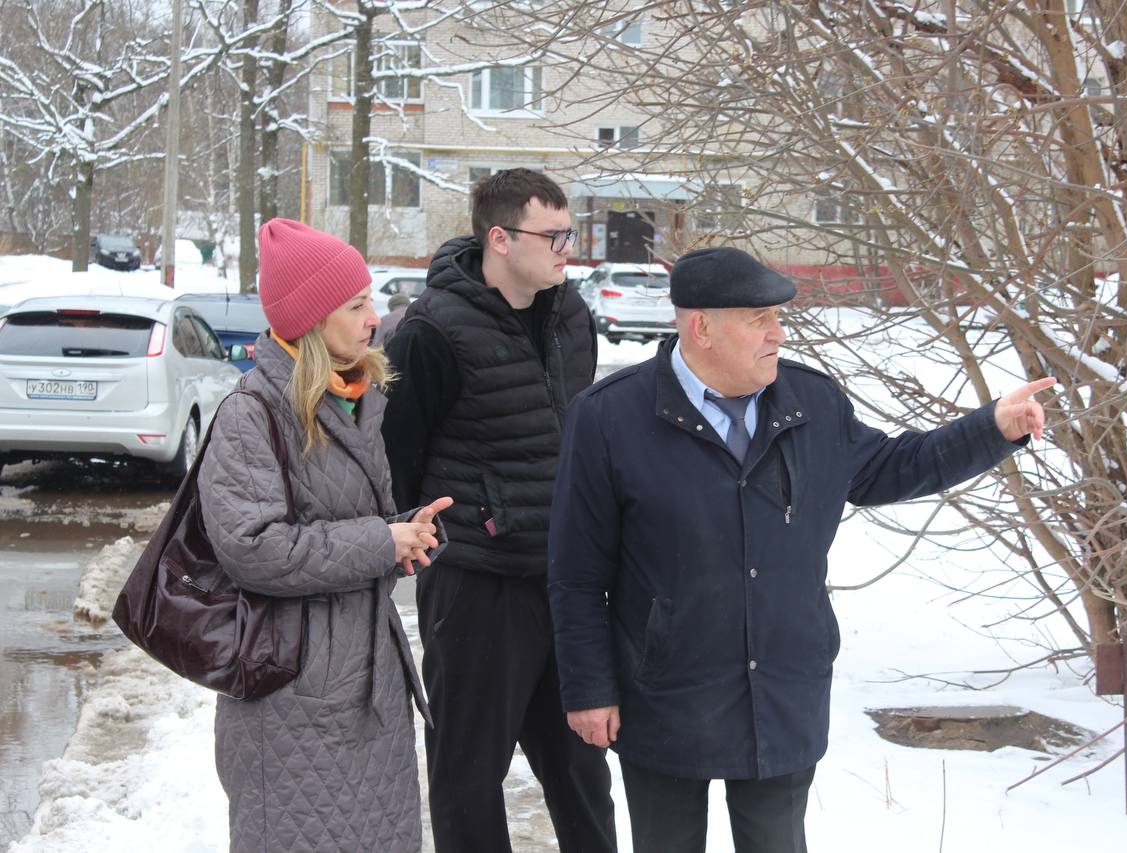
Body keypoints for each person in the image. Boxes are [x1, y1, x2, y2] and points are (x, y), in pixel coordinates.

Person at [548, 246, 1056, 853]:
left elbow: (895, 466)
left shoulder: (812, 402)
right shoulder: (609, 417)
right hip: (665, 692)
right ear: (701, 327)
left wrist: (991, 429)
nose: (779, 334)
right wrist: (589, 689)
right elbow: (576, 572)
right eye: (759, 319)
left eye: (778, 318)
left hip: (782, 691)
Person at [198, 218, 451, 852]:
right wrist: (380, 541)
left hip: (369, 682)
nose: (374, 318)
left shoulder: (357, 398)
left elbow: (350, 527)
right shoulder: (251, 413)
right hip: (292, 691)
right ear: (312, 319)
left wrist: (407, 534)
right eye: (356, 305)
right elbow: (253, 548)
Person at [381, 169, 615, 852]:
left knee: (582, 771)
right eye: (554, 235)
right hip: (477, 587)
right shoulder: (432, 329)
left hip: (562, 581)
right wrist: (446, 533)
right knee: (468, 775)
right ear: (501, 238)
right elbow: (398, 458)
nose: (568, 248)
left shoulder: (572, 318)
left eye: (570, 232)